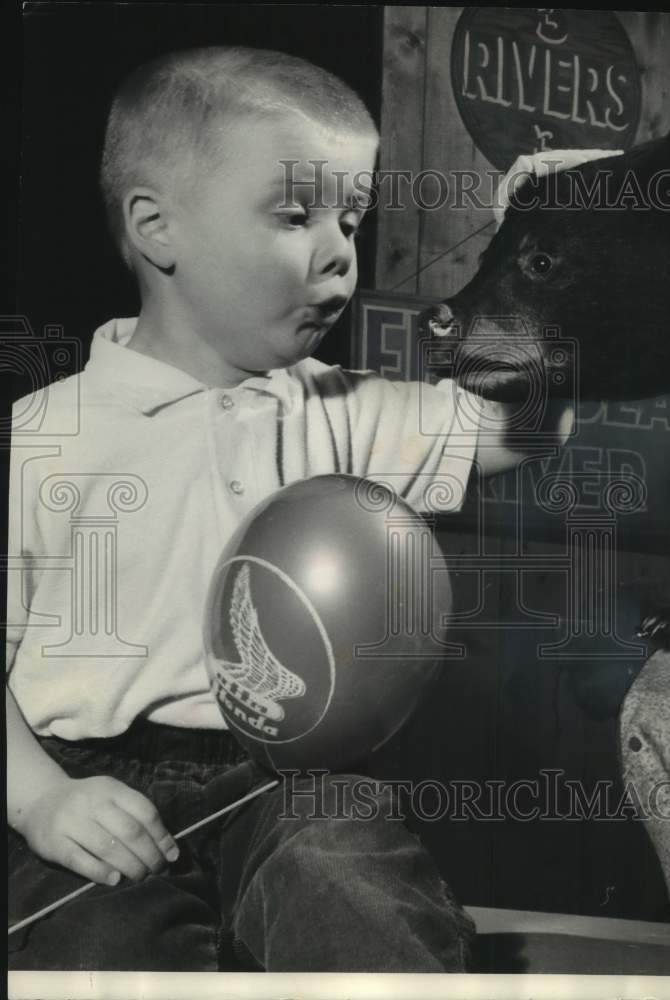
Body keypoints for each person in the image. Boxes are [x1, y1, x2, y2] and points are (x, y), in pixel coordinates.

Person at [7, 46, 571, 972]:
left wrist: (548, 259)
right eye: (294, 214)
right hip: (85, 784)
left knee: (357, 886)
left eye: (350, 217)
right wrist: (38, 803)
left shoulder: (341, 405)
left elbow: (521, 432)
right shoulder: (40, 436)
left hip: (291, 780)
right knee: (92, 945)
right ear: (158, 229)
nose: (339, 251)